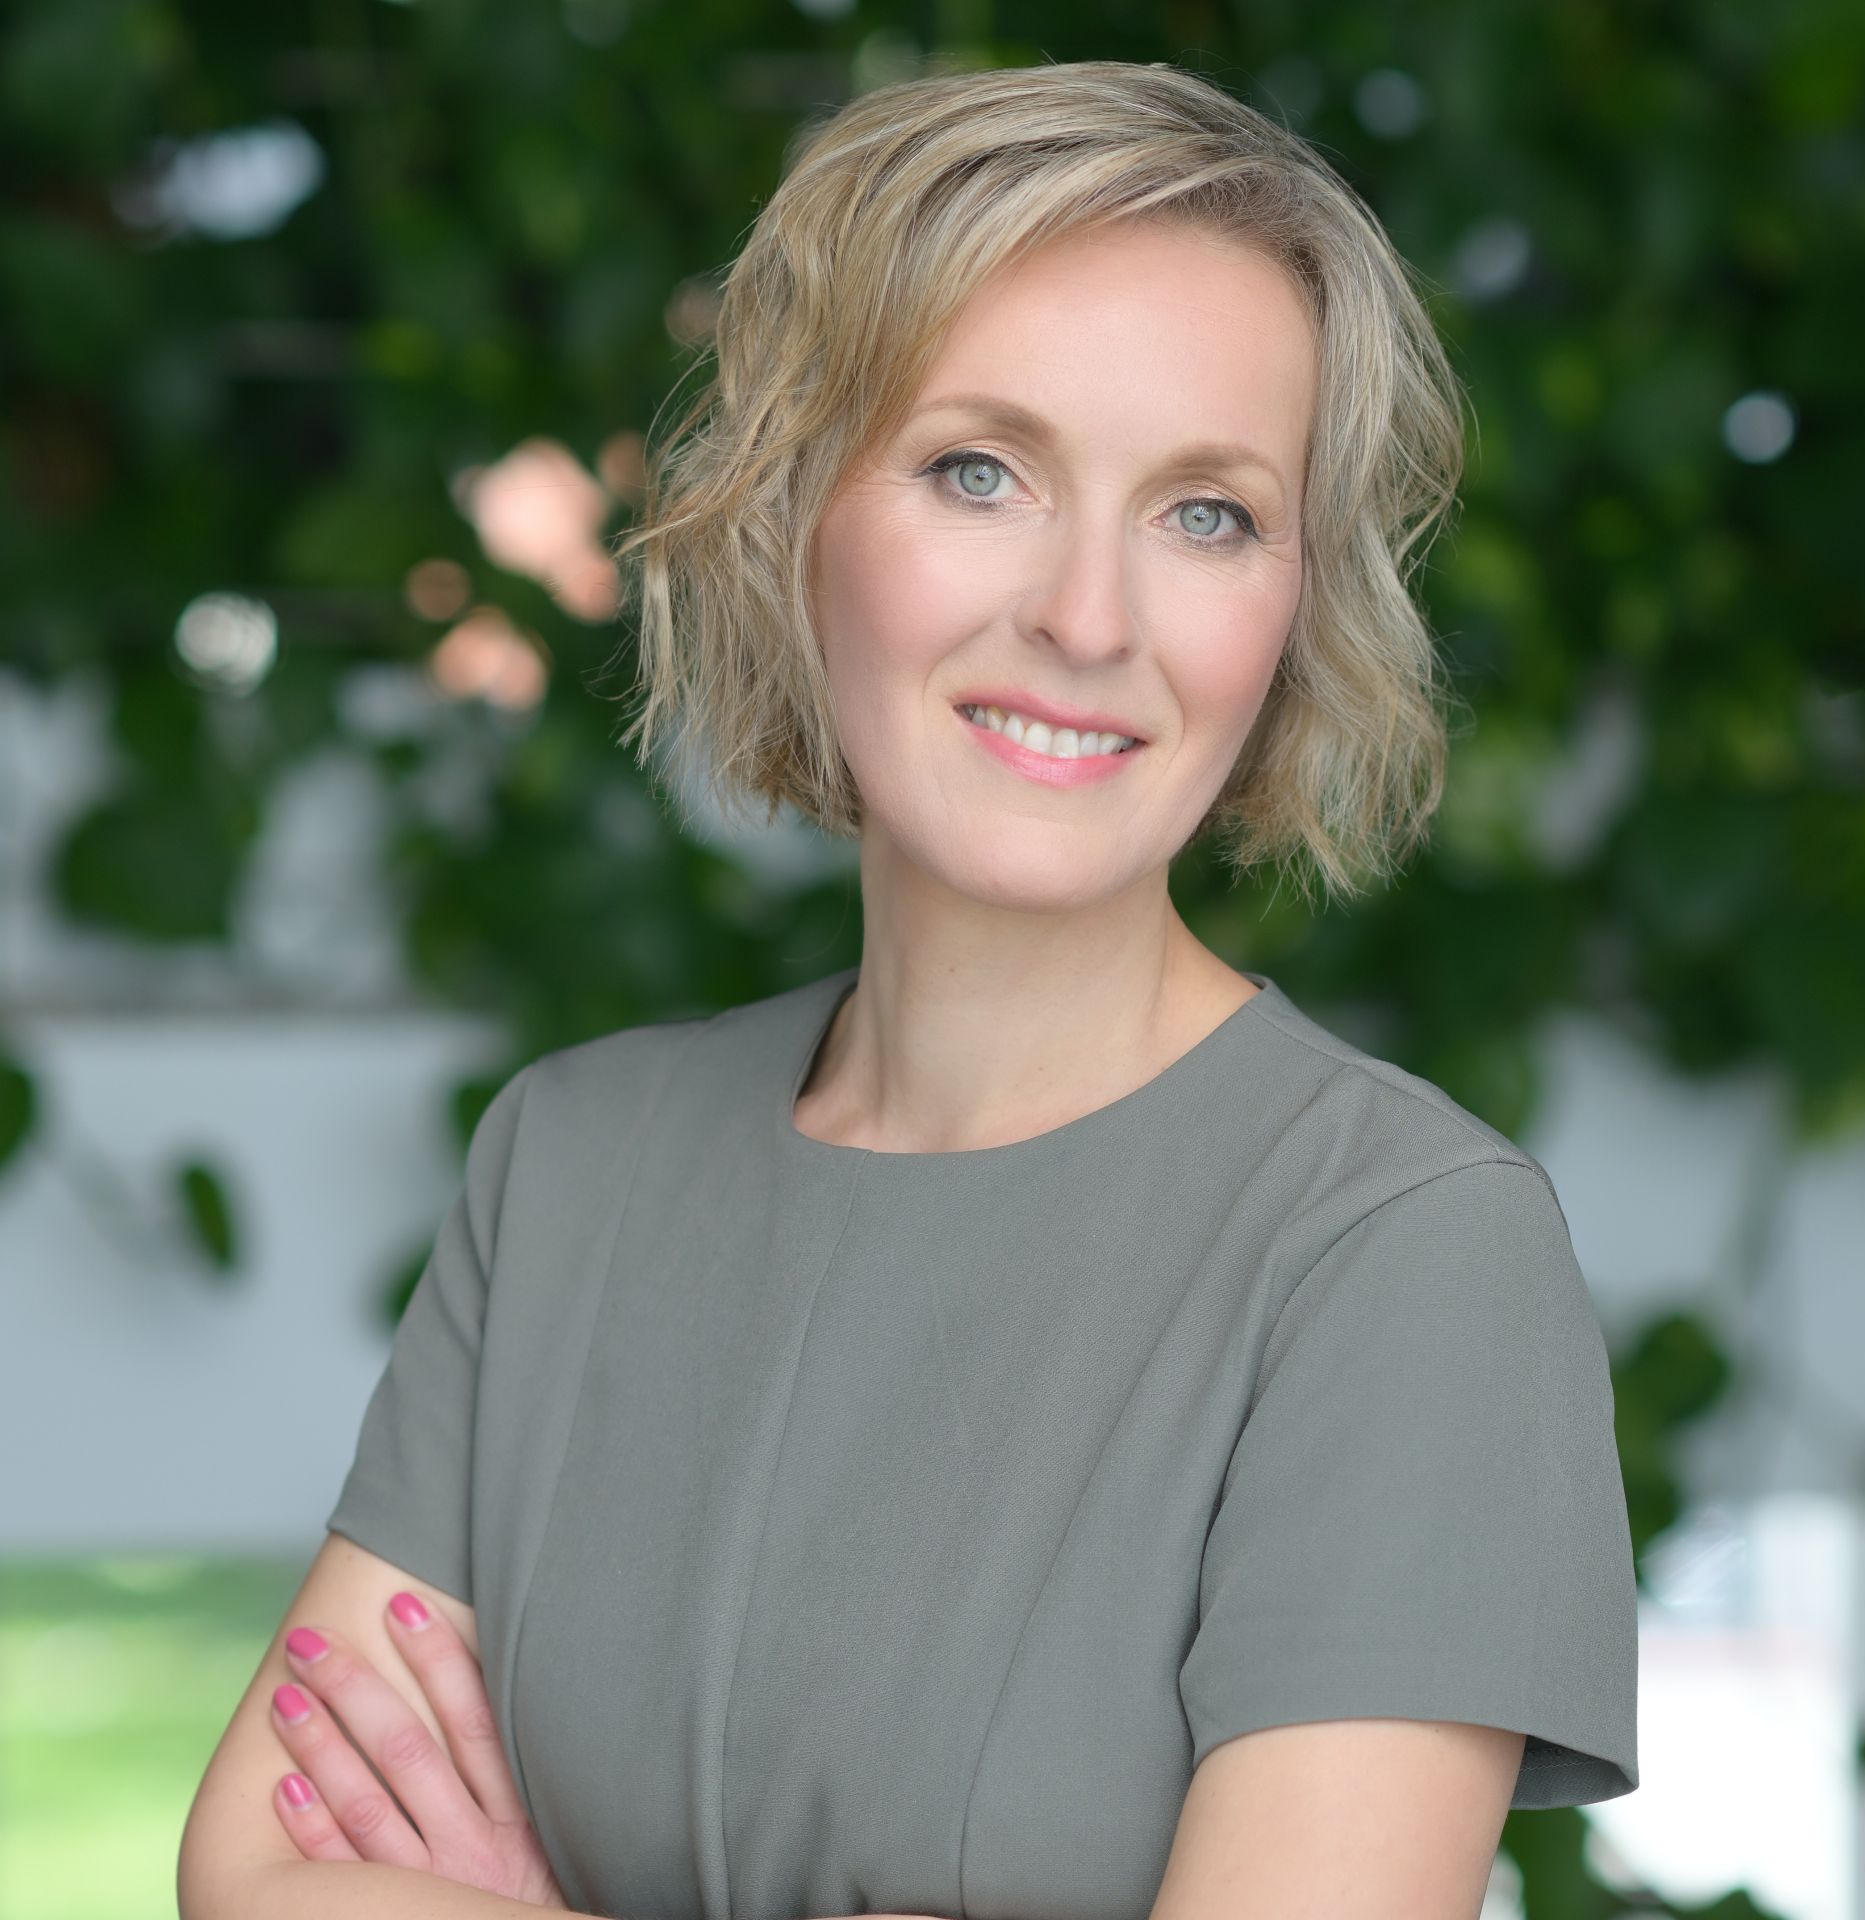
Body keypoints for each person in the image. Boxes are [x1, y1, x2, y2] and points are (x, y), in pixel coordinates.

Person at [180, 57, 1639, 1920]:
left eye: (1206, 513)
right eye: (980, 471)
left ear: (1297, 609)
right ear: (793, 514)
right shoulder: (574, 1163)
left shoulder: (1403, 1248)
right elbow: (259, 1875)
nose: (1088, 618)